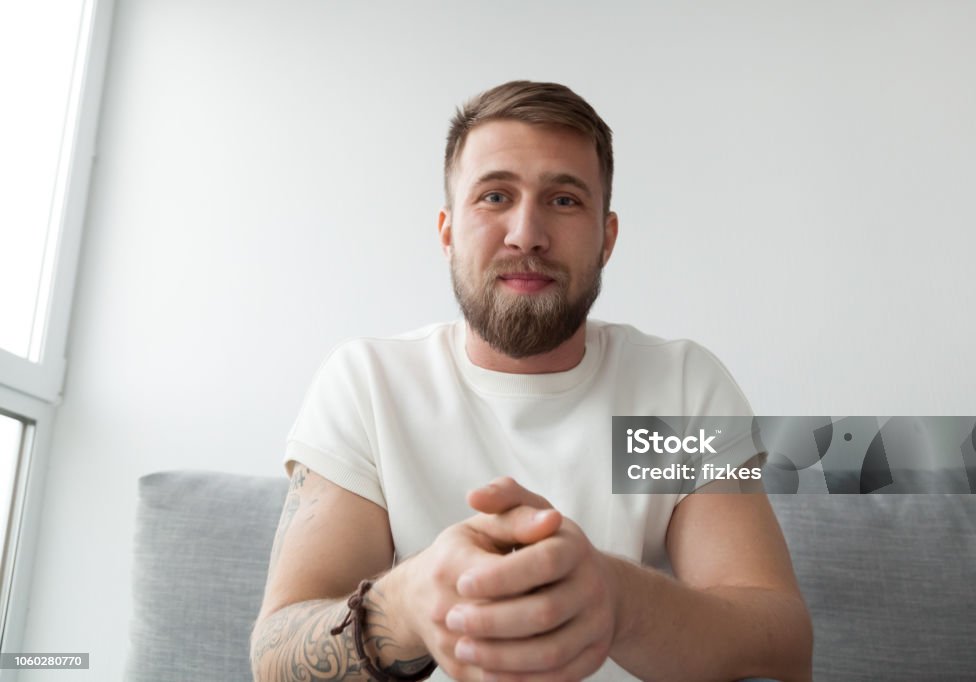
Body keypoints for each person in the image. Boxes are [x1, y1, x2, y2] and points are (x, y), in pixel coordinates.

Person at [250, 80, 813, 682]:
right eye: (494, 196)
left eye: (564, 200)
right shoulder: (370, 385)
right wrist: (410, 602)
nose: (526, 233)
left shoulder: (672, 391)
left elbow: (780, 649)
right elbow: (275, 659)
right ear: (447, 232)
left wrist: (618, 601)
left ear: (608, 238)